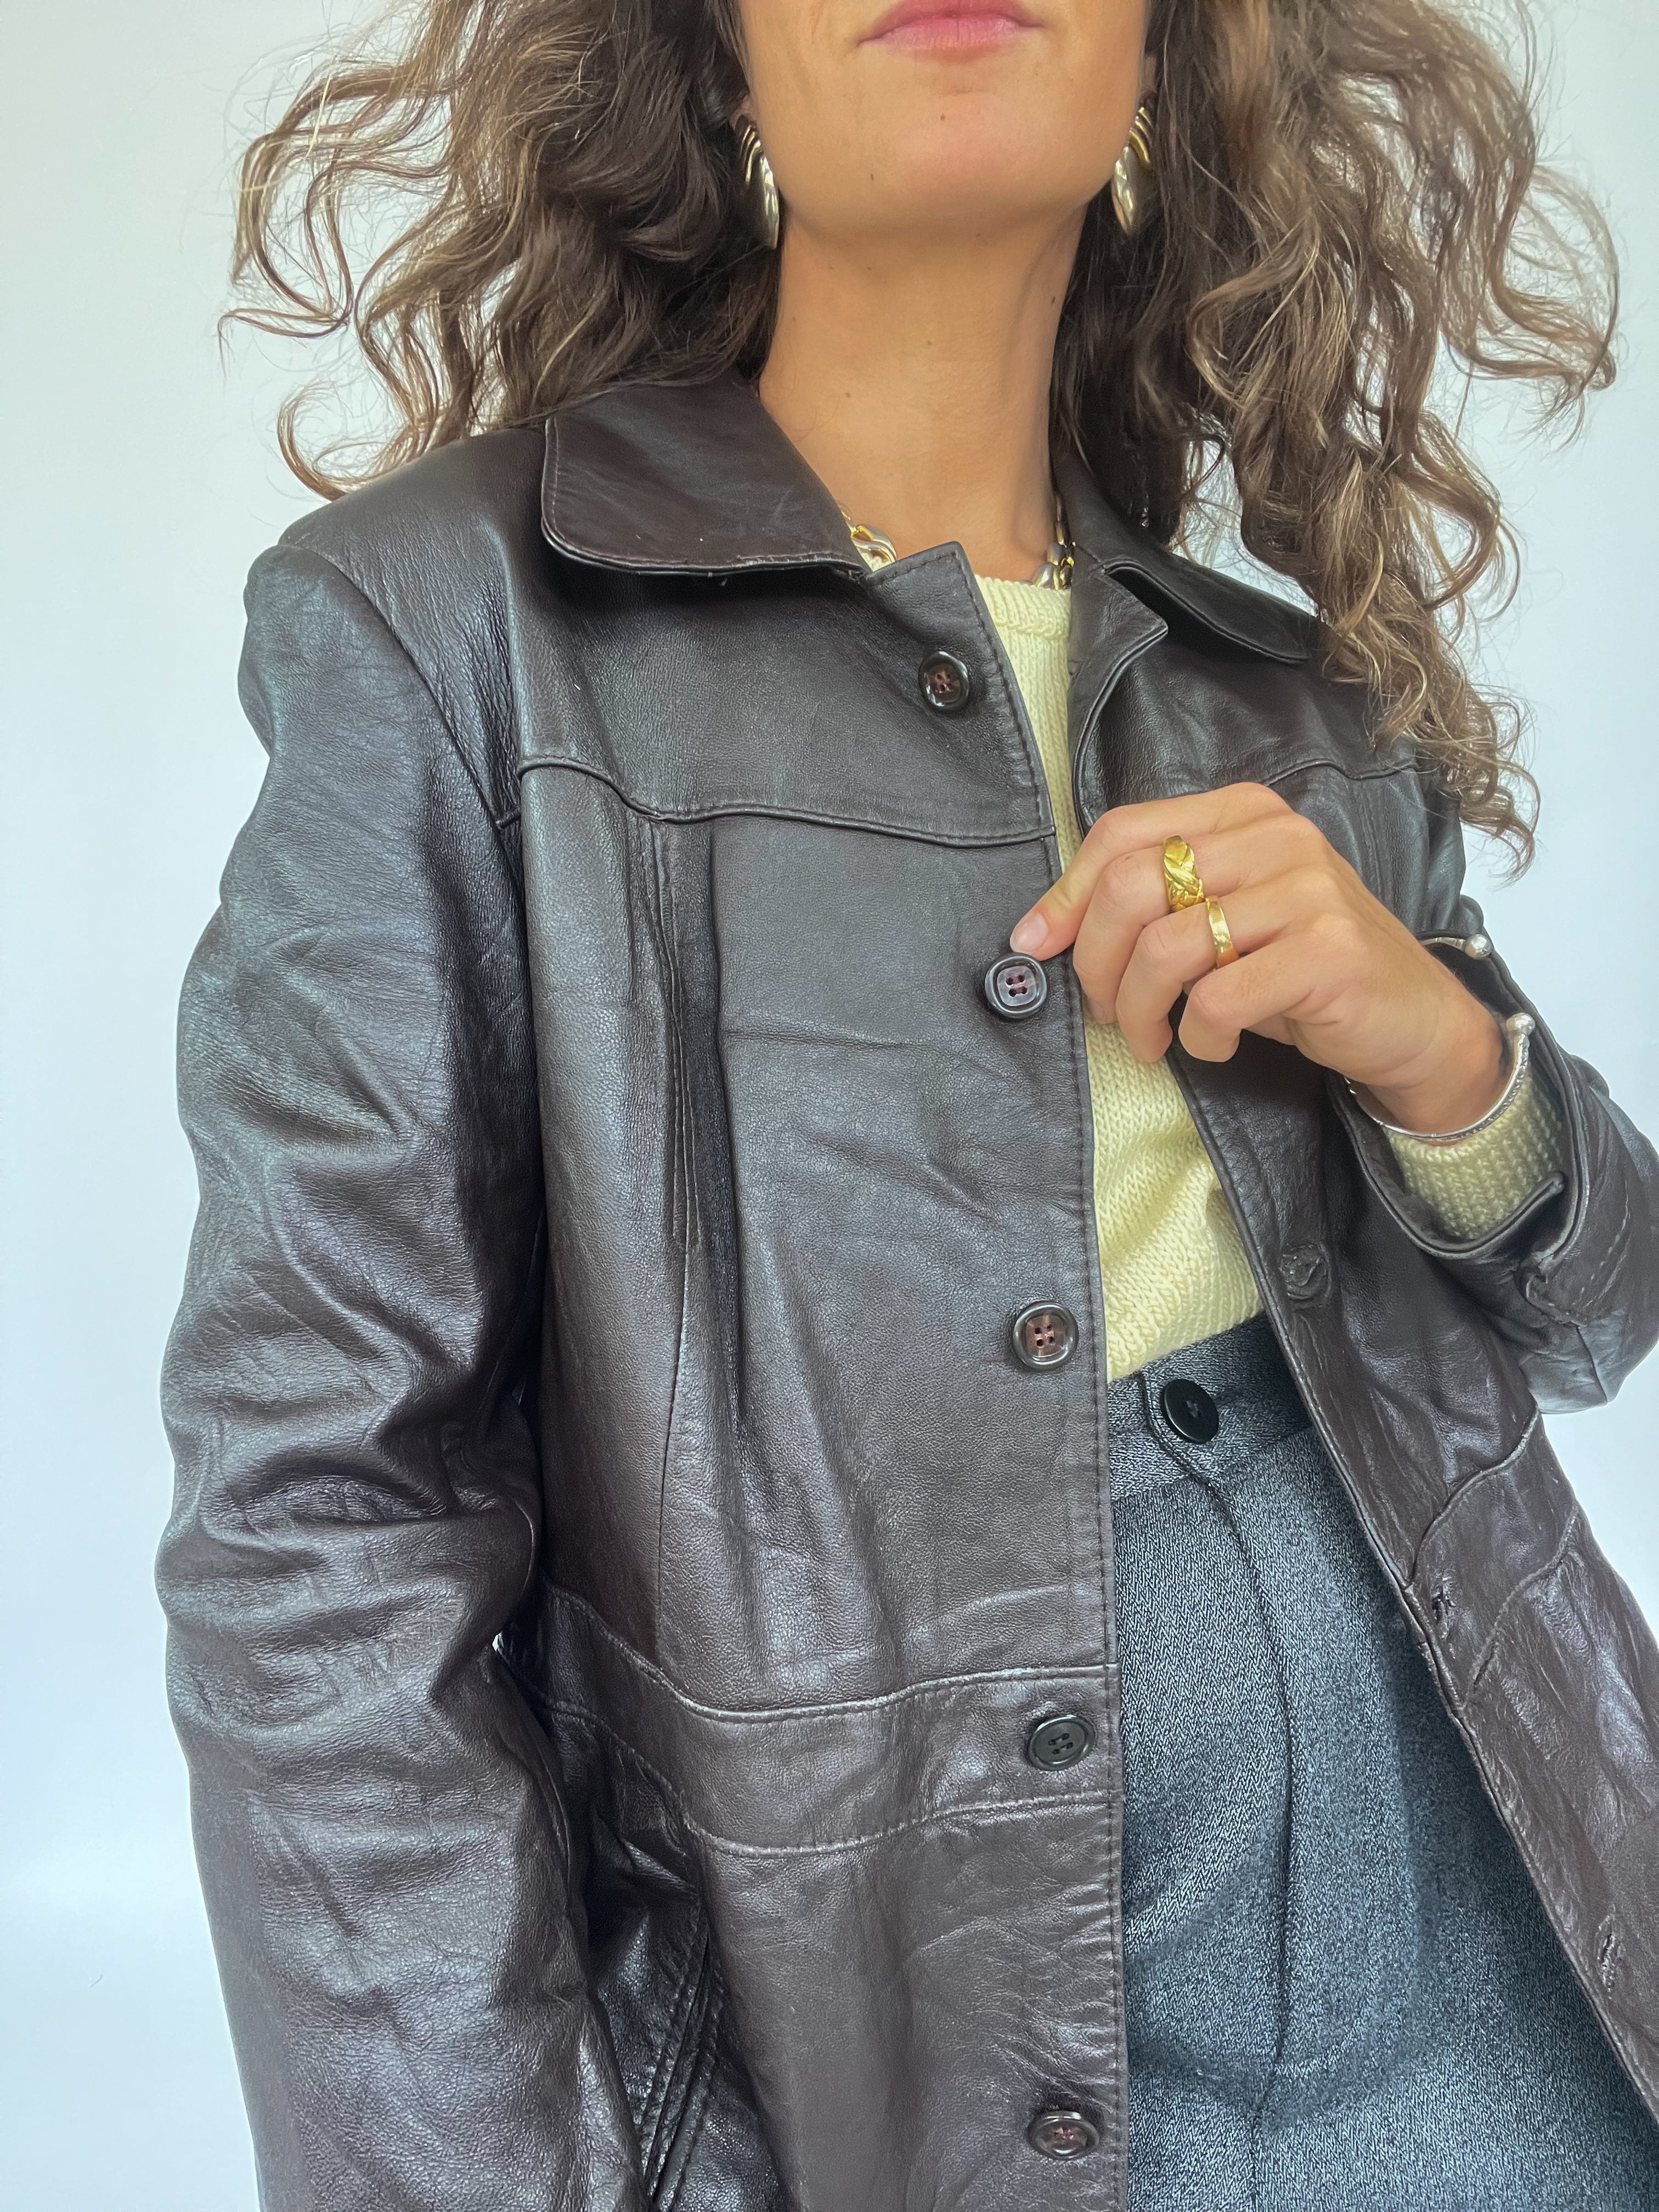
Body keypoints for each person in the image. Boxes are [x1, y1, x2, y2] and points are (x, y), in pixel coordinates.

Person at [157, 0, 1659, 2204]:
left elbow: (1595, 1314)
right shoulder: (443, 633)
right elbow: (319, 1537)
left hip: (1504, 1893)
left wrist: (1445, 1049)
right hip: (904, 2018)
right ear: (718, 66)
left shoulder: (1292, 692)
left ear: (1164, 66)